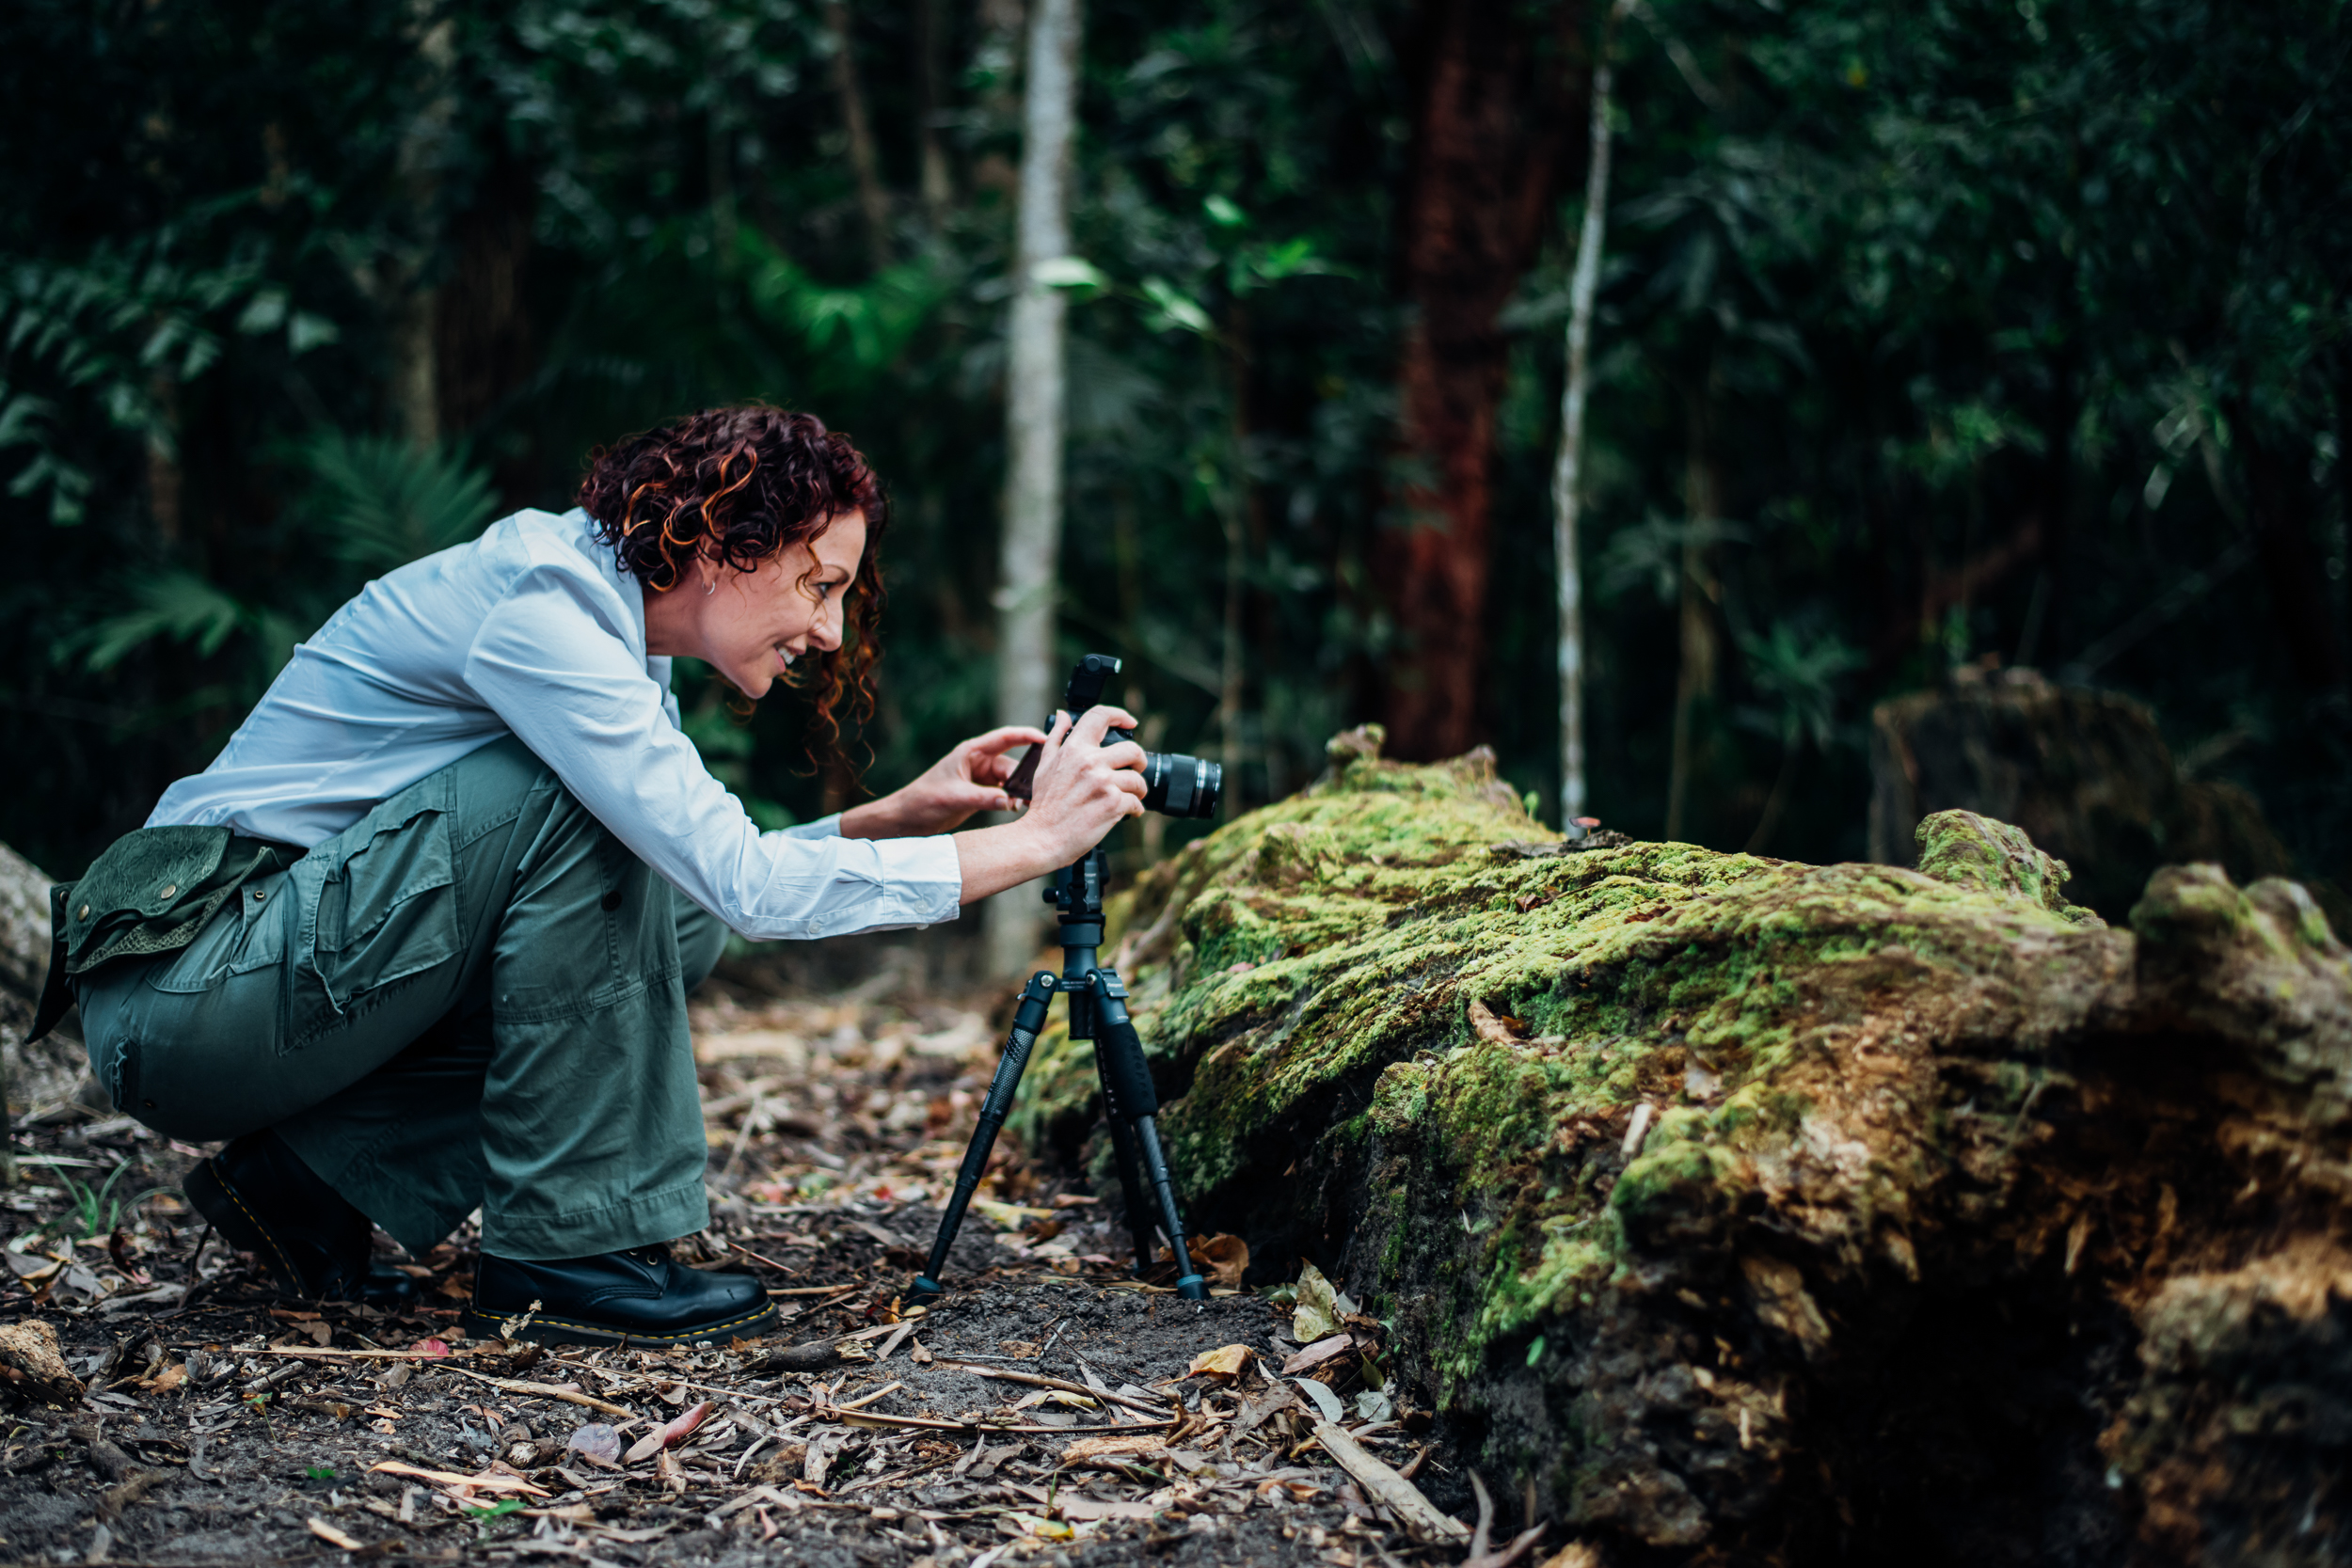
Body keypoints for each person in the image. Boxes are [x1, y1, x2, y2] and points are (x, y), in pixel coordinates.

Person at [38, 404, 1148, 1346]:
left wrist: (885, 819)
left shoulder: (614, 628)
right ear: (724, 541)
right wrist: (1036, 844)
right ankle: (566, 1253)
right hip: (185, 987)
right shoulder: (546, 609)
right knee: (579, 818)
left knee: (671, 921)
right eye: (817, 582)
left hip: (258, 984)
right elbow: (737, 875)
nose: (826, 627)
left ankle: (311, 1182)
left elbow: (711, 883)